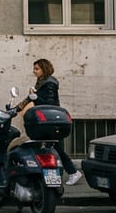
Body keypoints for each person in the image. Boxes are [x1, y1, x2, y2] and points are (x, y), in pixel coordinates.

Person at [29, 58, 82, 186]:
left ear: (44, 69)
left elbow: (50, 102)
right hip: (48, 120)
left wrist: (35, 96)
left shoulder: (49, 83)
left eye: (37, 69)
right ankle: (62, 174)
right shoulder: (42, 82)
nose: (34, 71)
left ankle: (72, 172)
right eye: (34, 68)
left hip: (51, 120)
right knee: (53, 148)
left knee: (55, 148)